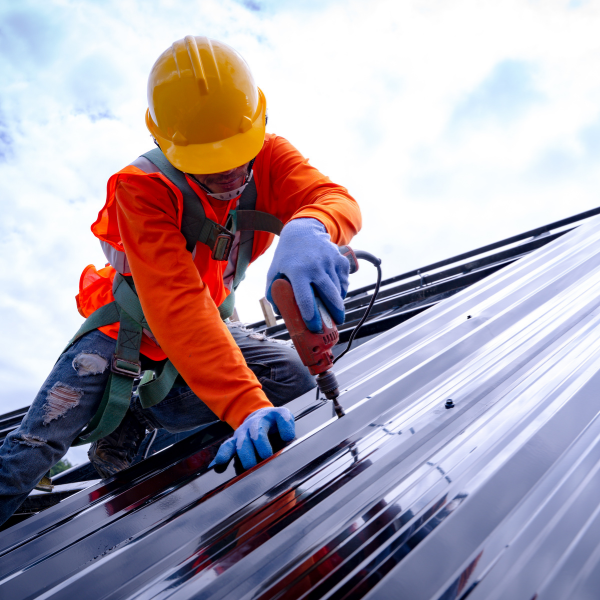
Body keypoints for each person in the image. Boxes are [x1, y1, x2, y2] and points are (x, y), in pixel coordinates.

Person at [0, 35, 361, 526]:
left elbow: (333, 197)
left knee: (291, 378)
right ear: (165, 144)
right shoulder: (143, 188)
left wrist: (312, 225)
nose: (232, 176)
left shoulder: (271, 157)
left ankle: (143, 415)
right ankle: (117, 414)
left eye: (239, 157)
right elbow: (177, 306)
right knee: (36, 446)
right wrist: (243, 405)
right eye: (210, 169)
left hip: (208, 324)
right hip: (128, 330)